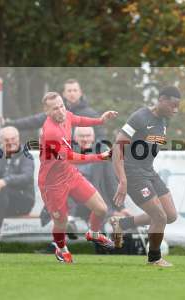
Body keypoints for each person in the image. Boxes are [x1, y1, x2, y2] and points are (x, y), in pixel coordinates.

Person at [38, 92, 118, 264]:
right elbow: (72, 158)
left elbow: (79, 120)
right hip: (52, 184)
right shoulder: (51, 131)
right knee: (61, 222)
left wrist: (100, 121)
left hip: (68, 173)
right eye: (55, 109)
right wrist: (100, 156)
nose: (60, 111)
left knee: (101, 209)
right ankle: (61, 248)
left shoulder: (65, 115)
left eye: (61, 106)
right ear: (47, 112)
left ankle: (93, 233)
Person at [110, 86, 181, 267]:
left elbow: (149, 145)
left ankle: (123, 224)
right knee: (160, 217)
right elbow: (117, 148)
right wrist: (123, 180)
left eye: (178, 106)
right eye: (173, 105)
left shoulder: (165, 121)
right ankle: (154, 258)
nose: (176, 110)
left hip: (149, 171)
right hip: (133, 174)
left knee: (170, 215)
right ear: (162, 100)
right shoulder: (140, 117)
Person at [2, 79, 107, 141]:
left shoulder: (90, 114)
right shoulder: (55, 112)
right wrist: (9, 123)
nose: (72, 93)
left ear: (80, 93)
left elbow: (101, 136)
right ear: (64, 94)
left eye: (75, 90)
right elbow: (33, 121)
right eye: (69, 90)